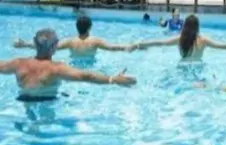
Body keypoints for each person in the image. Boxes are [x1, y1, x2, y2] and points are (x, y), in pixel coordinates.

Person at [1, 29, 136, 102]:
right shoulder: (56, 68)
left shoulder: (18, 63)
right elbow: (86, 76)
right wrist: (112, 79)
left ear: (34, 44)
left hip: (23, 100)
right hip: (47, 102)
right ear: (55, 47)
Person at [138, 14, 226, 61]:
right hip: (198, 69)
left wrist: (139, 44)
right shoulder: (203, 40)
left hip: (182, 68)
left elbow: (159, 42)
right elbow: (225, 46)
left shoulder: (179, 39)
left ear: (185, 26)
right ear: (197, 27)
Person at [14, 15, 137, 60]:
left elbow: (47, 46)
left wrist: (25, 44)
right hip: (90, 69)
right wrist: (129, 46)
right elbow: (112, 48)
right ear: (90, 27)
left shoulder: (70, 42)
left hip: (73, 68)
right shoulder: (95, 41)